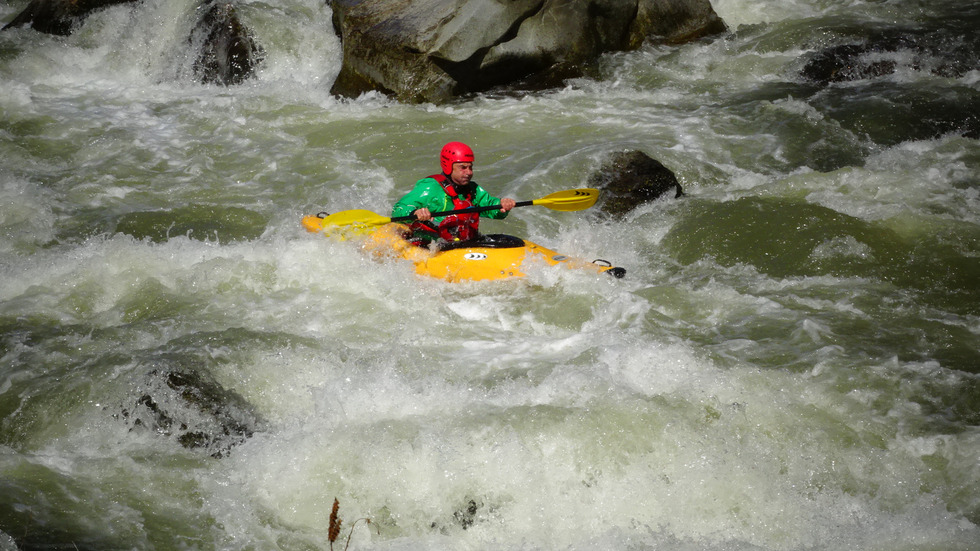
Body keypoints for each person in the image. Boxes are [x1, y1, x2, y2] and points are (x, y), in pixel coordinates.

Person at [392, 141, 516, 246]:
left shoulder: (472, 189)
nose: (469, 172)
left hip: (460, 244)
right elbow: (398, 210)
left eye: (470, 167)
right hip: (428, 245)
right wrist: (415, 213)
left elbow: (491, 208)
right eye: (463, 167)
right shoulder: (430, 187)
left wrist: (502, 205)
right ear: (448, 167)